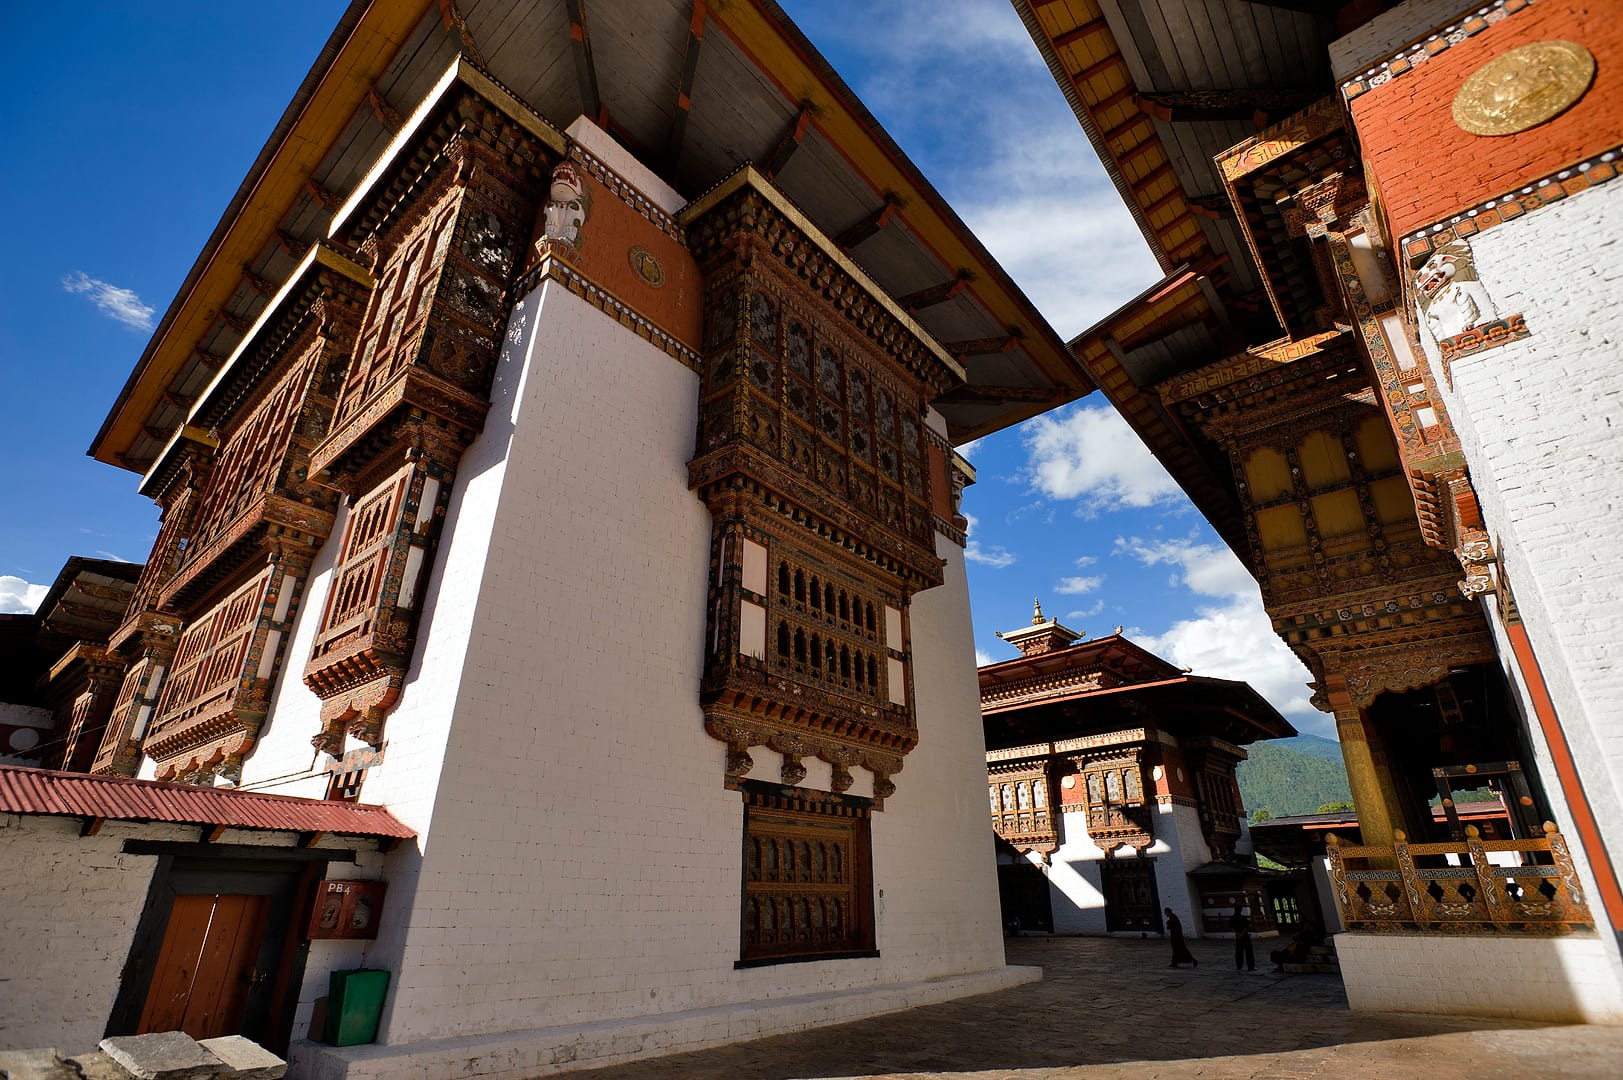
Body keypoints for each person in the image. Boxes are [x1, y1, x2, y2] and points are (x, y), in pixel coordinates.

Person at [1229, 906, 1254, 971]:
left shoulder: (1232, 918)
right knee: (1248, 951)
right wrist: (1242, 934)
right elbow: (1246, 927)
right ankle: (1250, 966)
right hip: (1245, 936)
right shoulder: (1243, 918)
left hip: (1238, 937)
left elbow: (1231, 928)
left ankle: (1239, 965)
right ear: (1241, 910)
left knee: (1239, 951)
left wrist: (1238, 934)